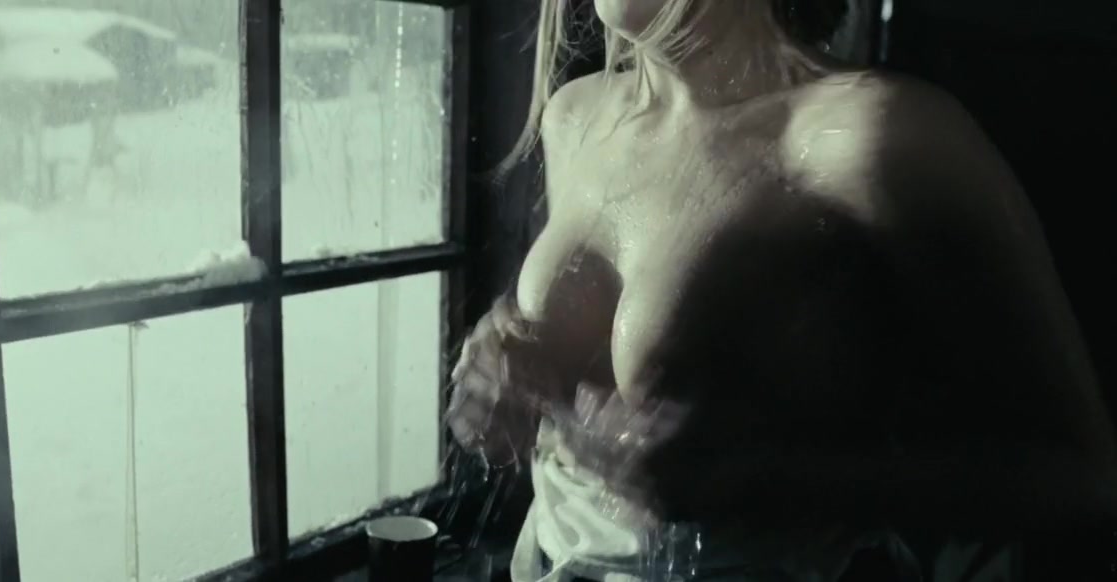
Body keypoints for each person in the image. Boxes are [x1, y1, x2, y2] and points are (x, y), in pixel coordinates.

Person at [444, 1, 1117, 580]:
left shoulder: (877, 135)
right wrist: (500, 376)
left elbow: (1082, 479)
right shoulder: (576, 117)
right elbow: (569, 386)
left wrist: (775, 480)